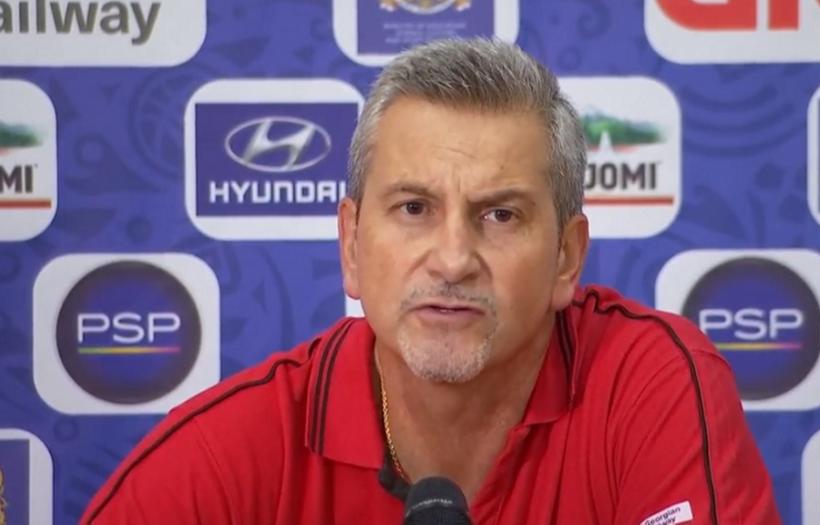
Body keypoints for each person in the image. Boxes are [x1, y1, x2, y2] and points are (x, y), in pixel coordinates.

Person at [81, 38, 781, 524]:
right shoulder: (227, 452)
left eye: (499, 214)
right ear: (351, 244)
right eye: (414, 208)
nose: (452, 260)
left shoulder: (650, 385)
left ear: (567, 258)